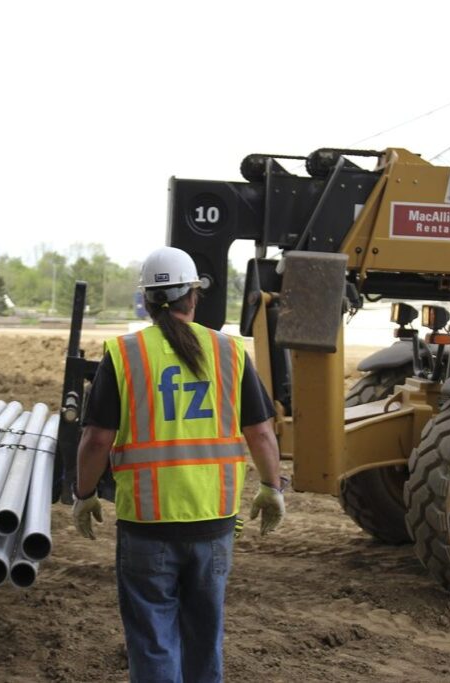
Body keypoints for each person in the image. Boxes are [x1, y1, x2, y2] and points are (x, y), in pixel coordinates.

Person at [73, 246, 286, 683]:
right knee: (204, 641)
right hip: (213, 525)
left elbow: (96, 440)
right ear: (194, 296)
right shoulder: (229, 351)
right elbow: (262, 433)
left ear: (147, 301)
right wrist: (271, 487)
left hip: (146, 527)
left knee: (152, 643)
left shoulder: (123, 355)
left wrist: (84, 494)